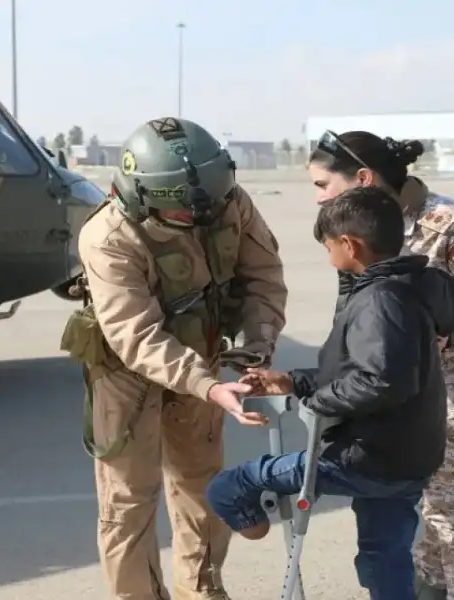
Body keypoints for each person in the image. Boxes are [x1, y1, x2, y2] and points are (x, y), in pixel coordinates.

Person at [59, 117, 288, 600]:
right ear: (143, 198)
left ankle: (201, 588)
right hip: (124, 374)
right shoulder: (107, 237)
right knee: (128, 501)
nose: (201, 217)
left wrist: (256, 346)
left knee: (202, 484)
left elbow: (263, 277)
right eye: (183, 211)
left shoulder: (226, 200)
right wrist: (208, 385)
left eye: (210, 203)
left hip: (201, 355)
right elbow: (136, 336)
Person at [205, 185, 454, 600]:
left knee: (229, 486)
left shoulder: (380, 301)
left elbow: (380, 380)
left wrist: (314, 403)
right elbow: (364, 369)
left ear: (350, 245)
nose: (329, 257)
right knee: (385, 555)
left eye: (329, 248)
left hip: (367, 457)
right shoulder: (411, 286)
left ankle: (251, 521)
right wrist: (293, 381)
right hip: (409, 456)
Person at [305, 130, 454, 600]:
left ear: (363, 178)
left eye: (323, 185)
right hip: (415, 391)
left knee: (452, 508)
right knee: (425, 501)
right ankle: (430, 588)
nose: (319, 197)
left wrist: (440, 339)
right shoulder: (361, 228)